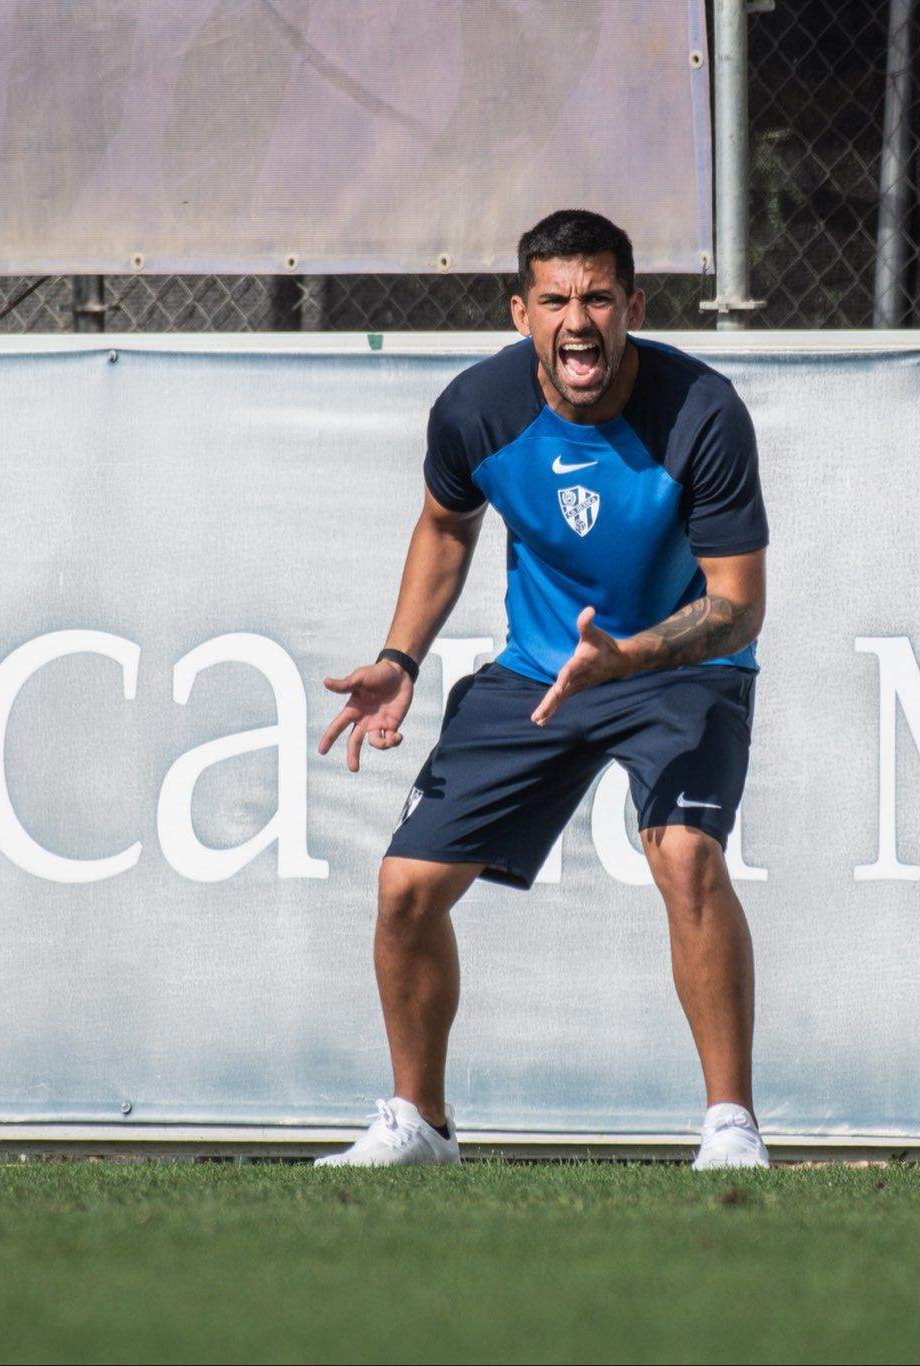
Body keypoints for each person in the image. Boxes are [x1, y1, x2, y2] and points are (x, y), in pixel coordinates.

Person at [314, 209, 769, 1170]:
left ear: (633, 307)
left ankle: (730, 1128)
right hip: (536, 671)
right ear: (522, 313)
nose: (578, 320)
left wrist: (633, 657)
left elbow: (737, 605)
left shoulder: (703, 411)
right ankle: (419, 1126)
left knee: (686, 856)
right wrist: (399, 659)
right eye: (556, 299)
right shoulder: (477, 410)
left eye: (599, 297)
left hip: (683, 666)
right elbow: (446, 528)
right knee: (405, 891)